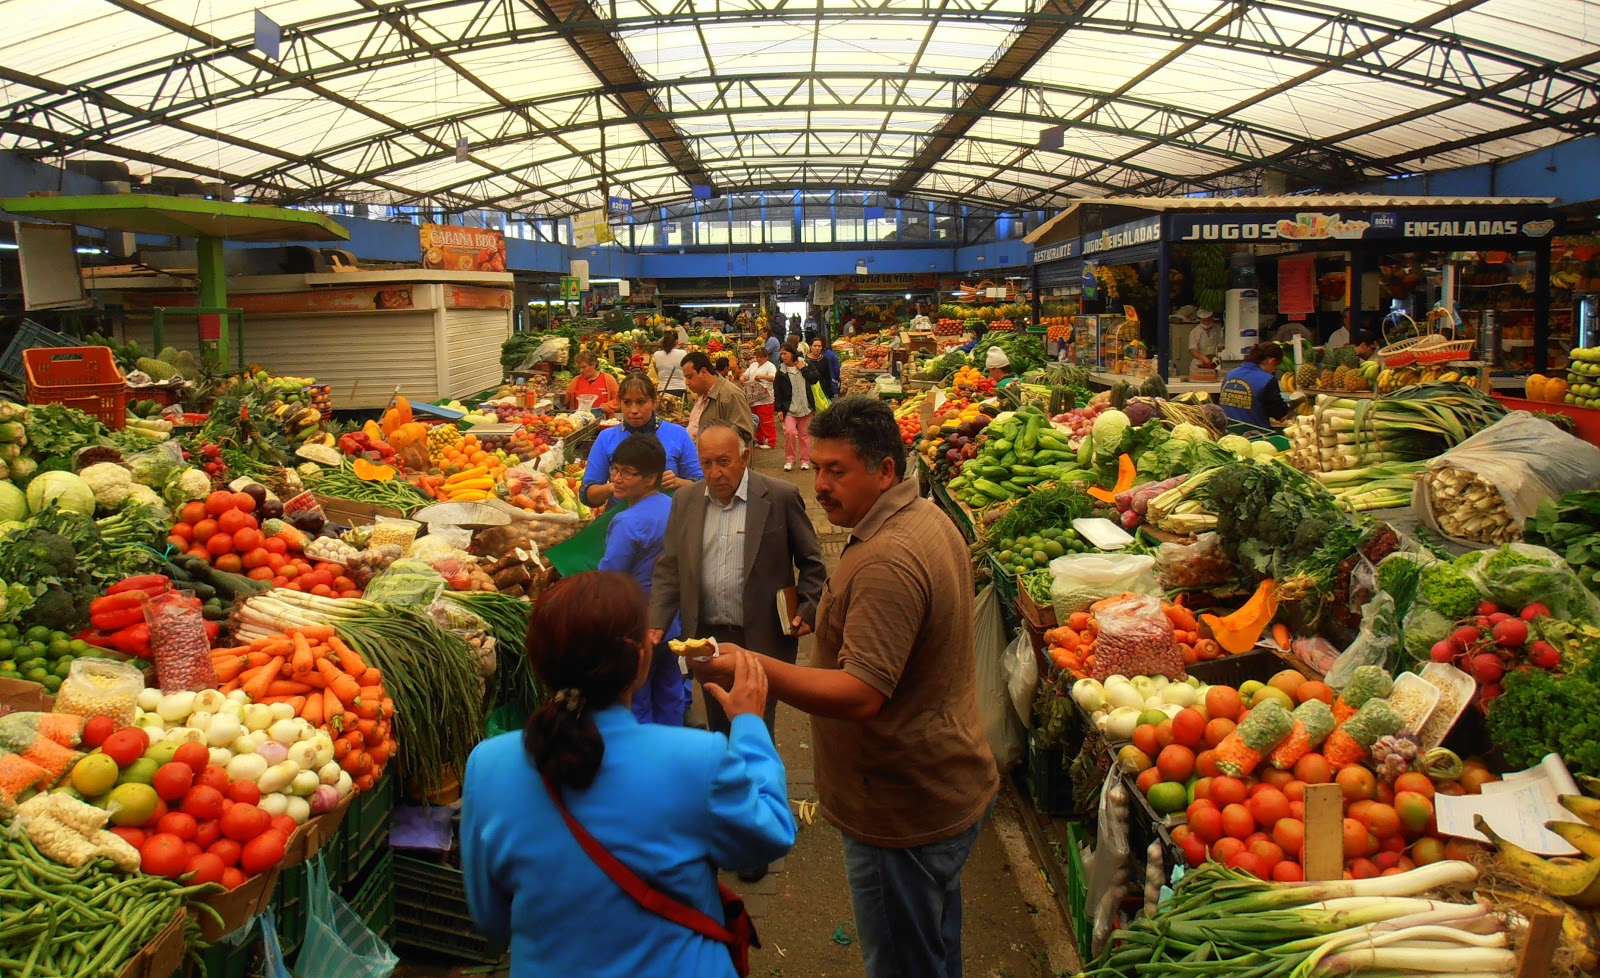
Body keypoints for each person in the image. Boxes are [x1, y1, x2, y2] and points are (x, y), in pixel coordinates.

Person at [685, 396, 997, 978]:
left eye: (837, 471)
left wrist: (754, 671)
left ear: (884, 471)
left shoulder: (887, 559)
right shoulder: (924, 517)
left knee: (905, 961)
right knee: (932, 948)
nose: (819, 485)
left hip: (899, 808)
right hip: (938, 781)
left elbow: (861, 693)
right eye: (819, 468)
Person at [461, 571, 795, 978]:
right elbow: (770, 833)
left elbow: (491, 922)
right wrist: (749, 726)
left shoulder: (488, 765)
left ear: (538, 663)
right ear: (640, 660)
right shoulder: (696, 758)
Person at [648, 420, 827, 742]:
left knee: (756, 724)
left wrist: (809, 606)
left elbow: (812, 562)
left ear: (744, 458)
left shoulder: (780, 496)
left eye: (724, 462)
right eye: (706, 463)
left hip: (762, 637)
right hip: (708, 638)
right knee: (719, 719)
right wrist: (657, 619)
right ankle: (729, 784)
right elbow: (670, 567)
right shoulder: (686, 500)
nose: (714, 473)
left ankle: (758, 786)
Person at [597, 434, 687, 725]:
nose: (617, 478)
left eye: (627, 473)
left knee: (638, 697)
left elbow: (610, 576)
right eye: (615, 469)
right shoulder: (672, 505)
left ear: (651, 478)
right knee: (671, 691)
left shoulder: (628, 522)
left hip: (636, 625)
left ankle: (645, 759)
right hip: (671, 621)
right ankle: (673, 752)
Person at [580, 374, 702, 508]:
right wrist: (613, 487)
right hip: (622, 523)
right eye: (627, 402)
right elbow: (587, 495)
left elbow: (701, 485)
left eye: (641, 402)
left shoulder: (678, 434)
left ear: (654, 402)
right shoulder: (606, 438)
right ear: (619, 403)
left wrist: (678, 483)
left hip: (668, 521)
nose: (633, 410)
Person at [682, 351, 754, 443]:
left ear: (703, 372)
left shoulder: (730, 395)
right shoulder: (701, 393)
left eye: (690, 377)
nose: (687, 382)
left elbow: (744, 435)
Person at [1220, 342, 1293, 427]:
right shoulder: (1267, 380)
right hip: (1255, 434)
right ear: (1272, 361)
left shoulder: (1230, 374)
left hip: (1227, 430)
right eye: (1275, 367)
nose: (1274, 371)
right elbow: (1280, 415)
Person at [773, 344, 820, 472]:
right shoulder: (781, 372)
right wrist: (779, 409)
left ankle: (805, 460)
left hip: (806, 408)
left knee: (804, 435)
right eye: (781, 354)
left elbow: (815, 379)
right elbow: (778, 392)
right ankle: (790, 459)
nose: (783, 356)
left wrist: (803, 369)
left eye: (785, 353)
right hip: (789, 409)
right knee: (790, 432)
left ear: (792, 354)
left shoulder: (805, 364)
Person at [566, 350, 620, 418]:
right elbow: (566, 402)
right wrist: (560, 397)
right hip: (580, 423)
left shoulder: (608, 379)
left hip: (603, 421)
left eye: (584, 367)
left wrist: (606, 407)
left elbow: (618, 399)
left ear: (593, 365)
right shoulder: (575, 381)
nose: (581, 371)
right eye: (579, 368)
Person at [742, 354, 778, 450]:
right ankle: (759, 440)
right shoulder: (753, 365)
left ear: (766, 357)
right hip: (753, 398)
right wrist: (742, 378)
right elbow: (745, 375)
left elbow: (773, 378)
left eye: (761, 356)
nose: (759, 358)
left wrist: (762, 376)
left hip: (765, 398)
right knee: (755, 420)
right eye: (758, 356)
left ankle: (770, 441)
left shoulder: (770, 366)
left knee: (766, 421)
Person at [653, 333, 688, 399]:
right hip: (680, 389)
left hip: (662, 391)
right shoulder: (683, 353)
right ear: (677, 342)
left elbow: (657, 371)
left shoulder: (656, 355)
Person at [1189, 308, 1222, 376]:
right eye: (1204, 321)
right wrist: (1205, 359)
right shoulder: (1195, 332)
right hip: (1199, 363)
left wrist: (1216, 357)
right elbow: (1192, 350)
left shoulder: (1218, 329)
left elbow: (1221, 344)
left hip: (1214, 362)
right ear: (1200, 319)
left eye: (1208, 320)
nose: (1206, 323)